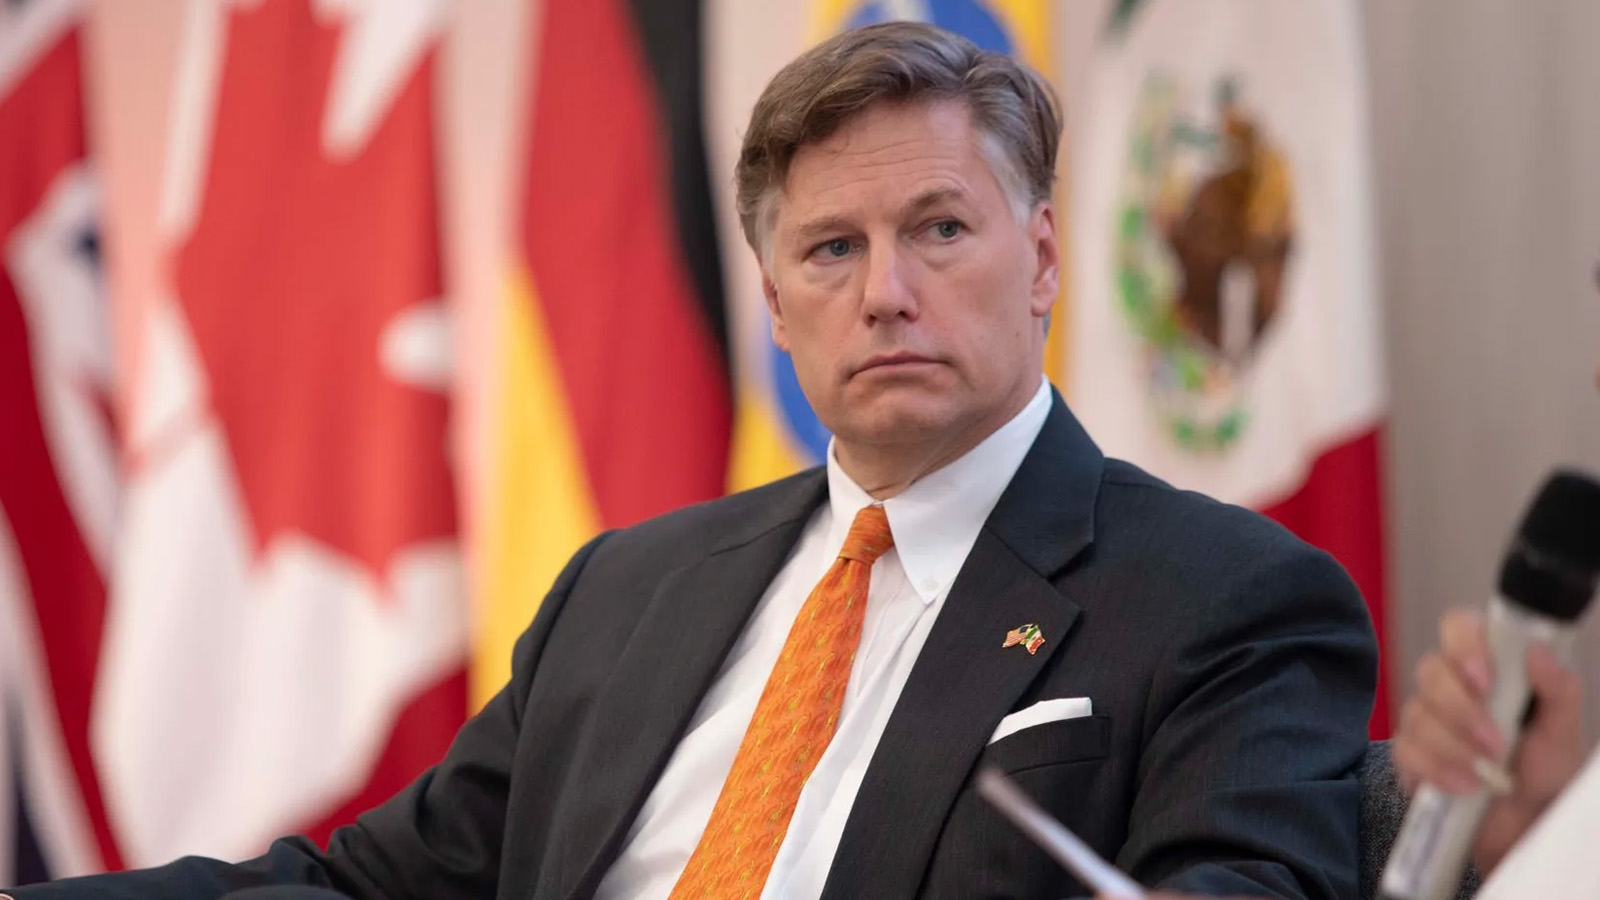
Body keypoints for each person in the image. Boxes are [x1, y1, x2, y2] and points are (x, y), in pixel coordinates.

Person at [3, 22, 1376, 900]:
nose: (885, 293)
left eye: (941, 229)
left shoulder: (1226, 600)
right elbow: (369, 887)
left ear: (1046, 262)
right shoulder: (627, 592)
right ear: (773, 308)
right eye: (831, 250)